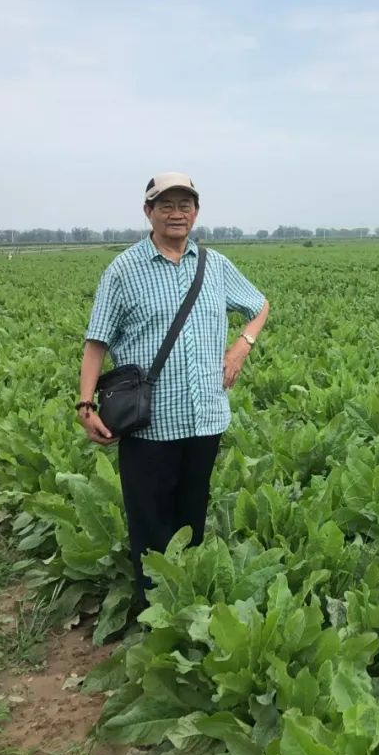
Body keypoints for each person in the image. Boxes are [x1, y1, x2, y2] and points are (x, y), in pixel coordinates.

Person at [76, 172, 270, 602]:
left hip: (205, 417)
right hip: (149, 421)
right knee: (150, 523)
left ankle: (188, 604)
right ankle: (153, 612)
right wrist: (85, 403)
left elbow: (259, 306)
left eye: (185, 205)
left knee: (191, 519)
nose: (176, 213)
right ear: (149, 212)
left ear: (196, 212)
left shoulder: (215, 265)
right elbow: (96, 340)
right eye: (166, 205)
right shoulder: (124, 269)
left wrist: (241, 347)